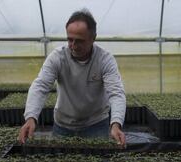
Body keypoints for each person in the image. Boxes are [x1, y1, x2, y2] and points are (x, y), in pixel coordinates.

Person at [18, 8, 126, 147]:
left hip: (96, 124)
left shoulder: (104, 60)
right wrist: (30, 117)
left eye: (79, 41)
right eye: (70, 39)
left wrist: (116, 124)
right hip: (63, 126)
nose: (73, 46)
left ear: (93, 38)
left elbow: (116, 93)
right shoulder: (57, 57)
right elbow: (40, 86)